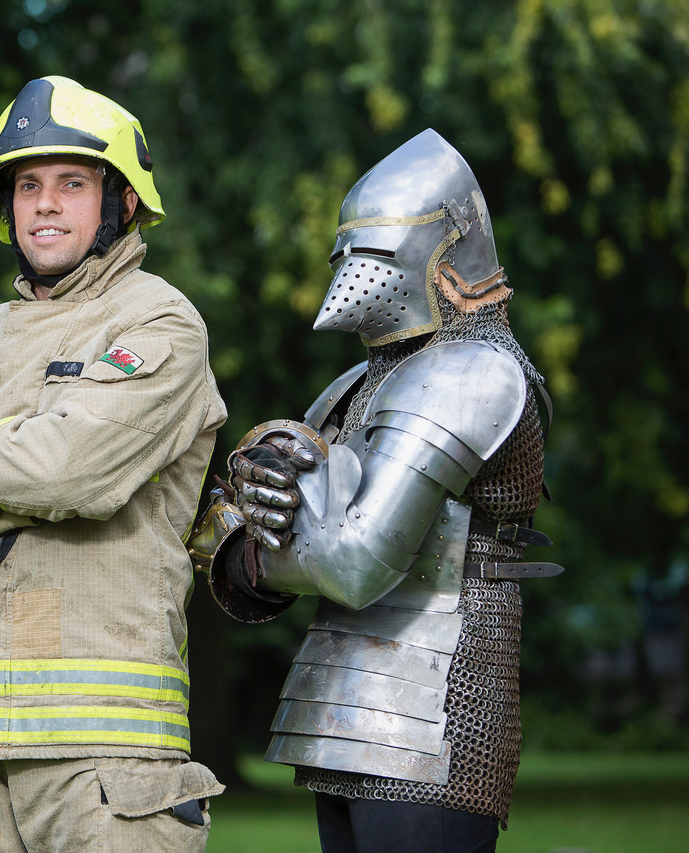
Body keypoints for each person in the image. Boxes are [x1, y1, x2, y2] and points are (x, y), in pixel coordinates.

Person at [0, 76, 228, 852]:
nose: (46, 204)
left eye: (72, 182)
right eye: (27, 185)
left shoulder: (159, 318)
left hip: (111, 759)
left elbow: (75, 468)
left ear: (123, 202)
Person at [189, 129, 562, 852]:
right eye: (348, 255)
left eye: (380, 252)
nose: (357, 276)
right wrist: (250, 527)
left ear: (448, 253)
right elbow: (278, 537)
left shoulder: (471, 372)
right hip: (342, 716)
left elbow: (353, 561)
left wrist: (245, 541)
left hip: (433, 713)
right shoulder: (356, 386)